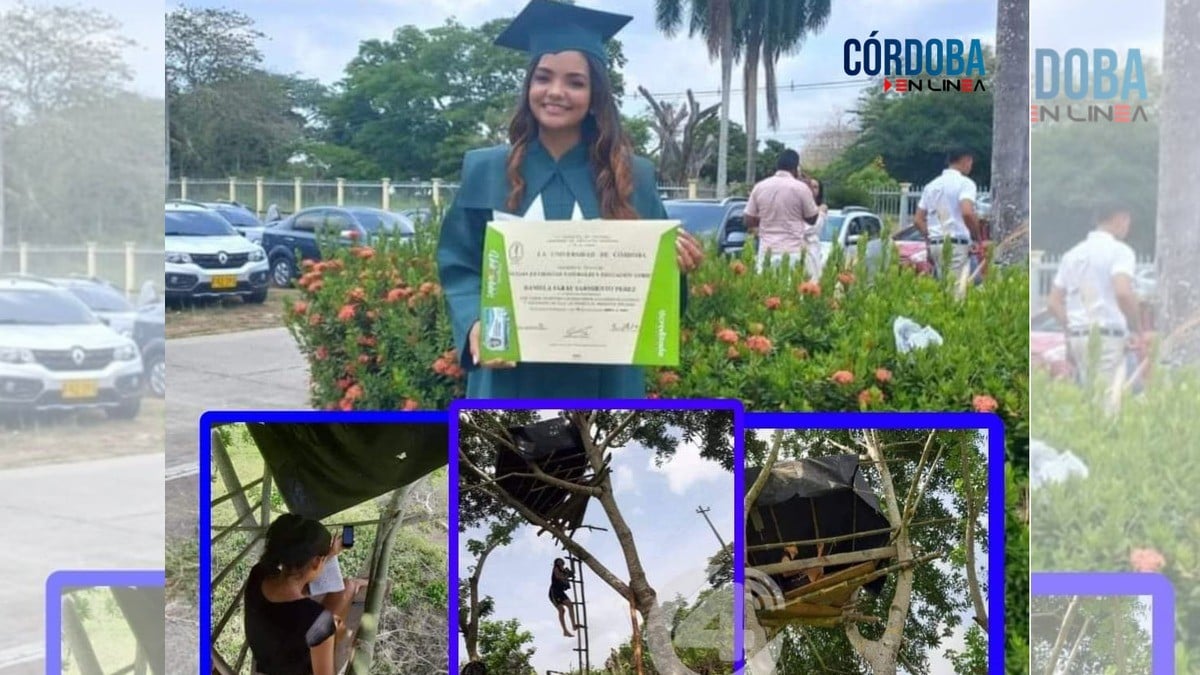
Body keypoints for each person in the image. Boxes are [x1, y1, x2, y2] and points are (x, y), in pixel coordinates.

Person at [436, 0, 703, 399]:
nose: (556, 92)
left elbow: (652, 290)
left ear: (595, 95)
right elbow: (460, 265)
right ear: (529, 85)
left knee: (599, 460)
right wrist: (474, 323)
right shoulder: (485, 170)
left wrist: (677, 268)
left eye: (575, 82)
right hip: (508, 376)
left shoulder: (633, 176)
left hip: (604, 379)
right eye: (543, 77)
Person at [243, 514, 369, 675]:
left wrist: (328, 555)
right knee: (346, 592)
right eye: (323, 560)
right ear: (316, 562)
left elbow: (290, 597)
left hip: (268, 660)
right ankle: (356, 587)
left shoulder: (259, 573)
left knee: (348, 586)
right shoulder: (317, 620)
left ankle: (356, 584)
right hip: (297, 666)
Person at [1046, 201, 1144, 396]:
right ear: (1120, 218)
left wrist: (1071, 327)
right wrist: (1136, 327)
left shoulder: (1072, 255)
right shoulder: (1120, 251)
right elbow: (1123, 292)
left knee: (1088, 397)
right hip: (1108, 338)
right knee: (1109, 405)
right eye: (1127, 221)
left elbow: (1053, 302)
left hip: (1079, 337)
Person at [744, 150, 820, 276]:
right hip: (793, 252)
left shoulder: (760, 187)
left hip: (766, 252)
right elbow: (812, 219)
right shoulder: (801, 188)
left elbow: (747, 220)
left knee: (766, 292)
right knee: (791, 293)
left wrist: (765, 218)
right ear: (796, 168)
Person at [913, 148, 984, 281]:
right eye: (971, 162)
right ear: (966, 160)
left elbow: (918, 220)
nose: (970, 166)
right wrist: (976, 236)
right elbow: (967, 212)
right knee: (957, 293)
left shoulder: (931, 185)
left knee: (943, 287)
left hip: (935, 245)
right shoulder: (965, 183)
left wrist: (931, 236)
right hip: (956, 245)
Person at [549, 558, 580, 637]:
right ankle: (565, 631)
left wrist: (573, 563)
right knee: (562, 610)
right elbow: (558, 576)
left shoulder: (565, 571)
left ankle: (573, 625)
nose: (560, 562)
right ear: (557, 563)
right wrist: (566, 576)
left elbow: (572, 573)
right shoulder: (556, 568)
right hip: (554, 592)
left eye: (561, 561)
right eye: (558, 561)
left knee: (570, 605)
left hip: (561, 592)